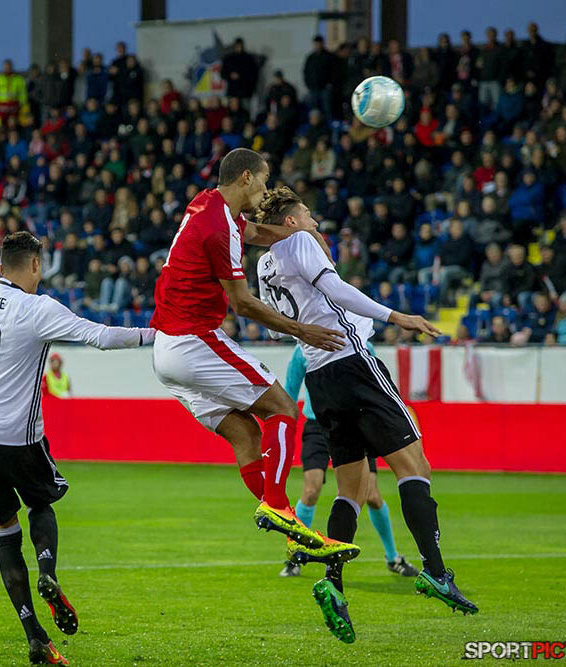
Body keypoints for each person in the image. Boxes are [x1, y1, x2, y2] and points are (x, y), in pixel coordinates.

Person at [255, 186, 477, 643]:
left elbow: (276, 321)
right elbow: (334, 288)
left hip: (321, 380)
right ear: (292, 222)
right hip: (353, 363)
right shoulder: (299, 242)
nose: (317, 223)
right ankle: (435, 571)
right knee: (415, 466)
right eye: (309, 216)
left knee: (350, 488)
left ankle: (333, 585)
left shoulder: (264, 265)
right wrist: (399, 318)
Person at [0, 231, 155, 665]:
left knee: (4, 536)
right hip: (17, 438)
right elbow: (100, 337)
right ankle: (48, 571)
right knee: (41, 503)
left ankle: (34, 636)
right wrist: (156, 335)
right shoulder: (38, 308)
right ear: (34, 266)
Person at [150, 148, 358, 567]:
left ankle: (294, 536)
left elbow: (254, 232)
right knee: (282, 407)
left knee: (247, 436)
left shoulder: (205, 205)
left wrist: (299, 235)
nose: (266, 189)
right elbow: (243, 304)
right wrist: (303, 329)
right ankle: (279, 507)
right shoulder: (218, 227)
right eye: (263, 181)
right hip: (193, 341)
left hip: (165, 352)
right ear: (245, 177)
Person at [275, 344, 418, 579]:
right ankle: (294, 556)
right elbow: (290, 391)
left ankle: (393, 558)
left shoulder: (362, 344)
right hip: (317, 425)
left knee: (372, 495)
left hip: (356, 425)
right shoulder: (302, 350)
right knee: (310, 491)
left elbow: (376, 385)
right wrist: (283, 433)